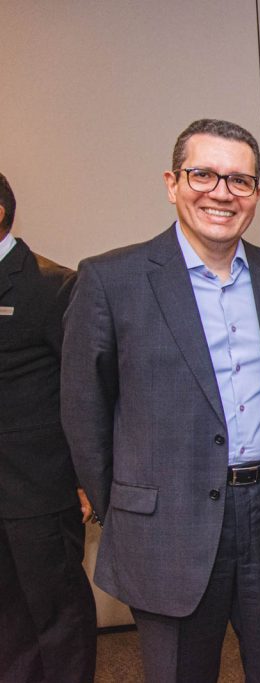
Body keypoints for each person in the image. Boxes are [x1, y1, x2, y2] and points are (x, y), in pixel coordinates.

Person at [61, 119, 260, 682]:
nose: (221, 192)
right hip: (167, 527)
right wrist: (125, 509)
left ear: (256, 196)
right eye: (203, 174)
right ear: (172, 182)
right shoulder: (111, 280)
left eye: (239, 181)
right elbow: (82, 410)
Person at [0, 172, 97, 682]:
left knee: (58, 616)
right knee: (8, 620)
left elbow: (86, 392)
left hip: (39, 490)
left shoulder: (51, 285)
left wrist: (87, 478)